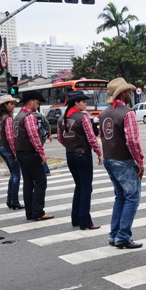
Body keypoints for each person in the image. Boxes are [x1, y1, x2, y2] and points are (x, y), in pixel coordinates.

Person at [99, 78, 144, 249]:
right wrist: (139, 162)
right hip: (123, 160)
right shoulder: (127, 113)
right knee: (132, 197)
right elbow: (132, 141)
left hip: (109, 157)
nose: (130, 94)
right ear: (123, 93)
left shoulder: (103, 114)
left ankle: (114, 234)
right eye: (128, 91)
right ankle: (123, 236)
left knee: (120, 196)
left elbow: (102, 137)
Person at [57, 91, 103, 230]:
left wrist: (70, 145)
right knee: (86, 187)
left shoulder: (62, 118)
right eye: (83, 101)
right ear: (76, 103)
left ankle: (76, 218)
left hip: (70, 154)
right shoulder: (83, 117)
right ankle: (85, 221)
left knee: (79, 186)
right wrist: (99, 153)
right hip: (83, 154)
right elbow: (91, 137)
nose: (85, 104)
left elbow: (60, 138)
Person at [14, 91, 53, 221]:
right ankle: (38, 211)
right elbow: (34, 136)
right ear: (30, 102)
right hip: (30, 152)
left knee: (28, 183)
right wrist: (41, 153)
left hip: (20, 152)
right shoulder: (29, 116)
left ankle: (30, 212)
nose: (37, 106)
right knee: (41, 181)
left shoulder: (18, 116)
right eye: (36, 103)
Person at [0, 94, 24, 210]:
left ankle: (10, 199)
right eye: (11, 104)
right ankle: (14, 200)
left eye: (14, 103)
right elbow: (11, 137)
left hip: (2, 148)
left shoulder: (0, 118)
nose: (13, 105)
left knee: (13, 174)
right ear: (5, 105)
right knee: (16, 174)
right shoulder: (8, 118)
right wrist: (15, 153)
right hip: (8, 148)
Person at [36, 108, 52, 176]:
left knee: (39, 154)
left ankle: (46, 170)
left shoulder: (29, 116)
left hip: (36, 138)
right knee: (39, 153)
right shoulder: (40, 115)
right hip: (42, 137)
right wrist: (50, 135)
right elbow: (48, 125)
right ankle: (45, 170)